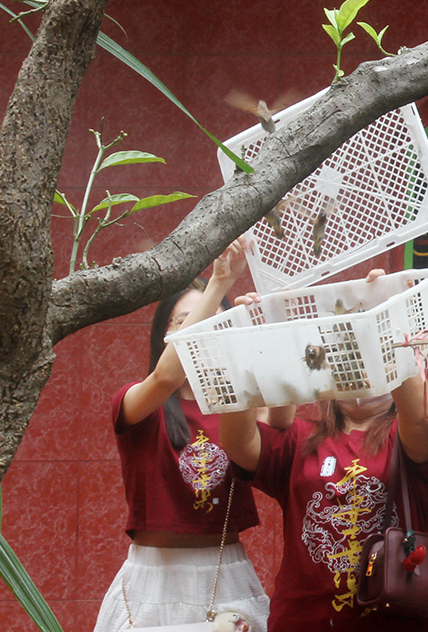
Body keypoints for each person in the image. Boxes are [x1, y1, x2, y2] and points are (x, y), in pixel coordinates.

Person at [218, 269, 428, 632]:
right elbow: (238, 443)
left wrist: (381, 314)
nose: (360, 369)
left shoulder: (405, 437)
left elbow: (418, 417)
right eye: (347, 356)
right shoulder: (300, 438)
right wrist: (247, 349)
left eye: (369, 357)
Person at [94, 238, 278, 632]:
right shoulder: (136, 401)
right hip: (150, 578)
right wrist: (218, 286)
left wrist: (256, 337)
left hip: (224, 572)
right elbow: (166, 376)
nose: (201, 331)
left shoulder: (238, 410)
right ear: (165, 338)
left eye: (215, 322)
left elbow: (278, 422)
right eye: (185, 322)